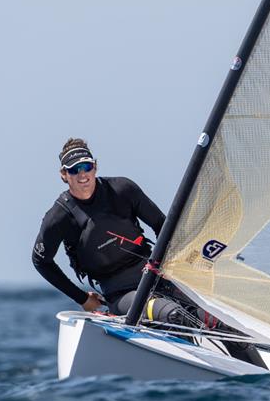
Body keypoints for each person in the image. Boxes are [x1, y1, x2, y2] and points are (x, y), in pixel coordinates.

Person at [32, 138, 201, 324]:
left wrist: (173, 264)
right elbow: (41, 261)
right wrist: (81, 298)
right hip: (120, 293)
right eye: (74, 170)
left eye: (86, 167)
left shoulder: (122, 190)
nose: (82, 175)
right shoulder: (58, 218)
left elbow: (162, 226)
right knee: (174, 315)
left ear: (95, 167)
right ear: (64, 174)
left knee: (211, 316)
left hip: (156, 275)